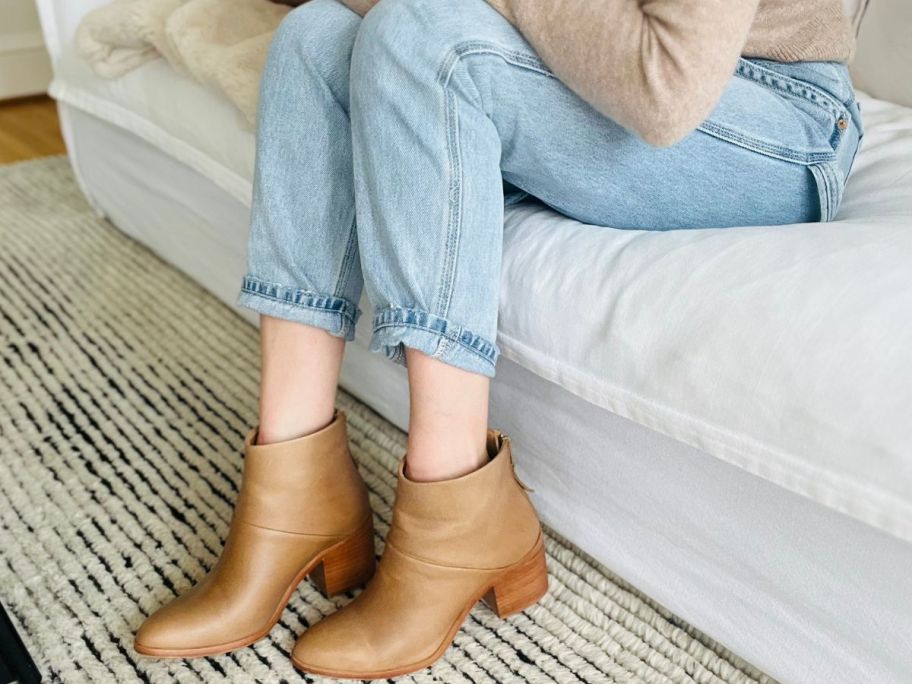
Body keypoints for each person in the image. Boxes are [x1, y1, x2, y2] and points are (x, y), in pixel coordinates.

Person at [133, 0, 863, 677]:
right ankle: (296, 492)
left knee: (428, 40)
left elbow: (666, 89)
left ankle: (457, 509)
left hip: (774, 114)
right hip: (592, 66)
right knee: (314, 39)